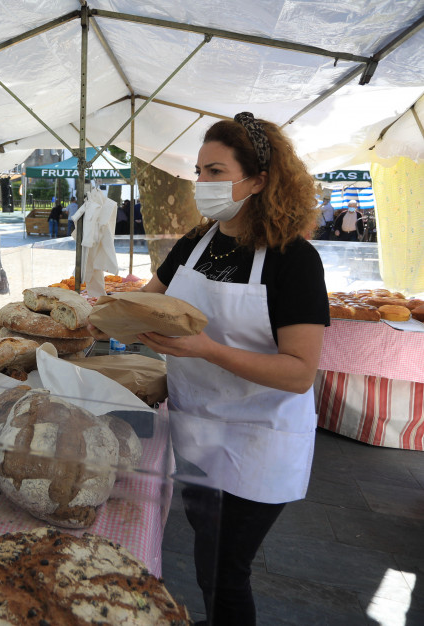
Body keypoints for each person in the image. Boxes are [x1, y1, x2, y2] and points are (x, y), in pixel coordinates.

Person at [90, 113, 328, 626]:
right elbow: (141, 305)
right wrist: (81, 316)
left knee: (226, 570)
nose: (203, 184)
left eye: (217, 171)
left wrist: (206, 350)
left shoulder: (294, 259)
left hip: (259, 439)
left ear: (259, 179)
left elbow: (299, 372)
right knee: (206, 553)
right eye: (199, 171)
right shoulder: (195, 243)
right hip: (196, 429)